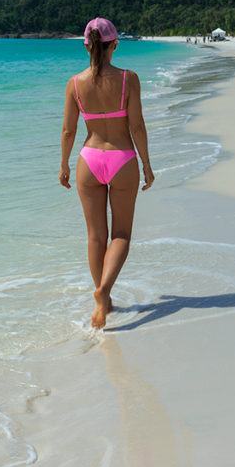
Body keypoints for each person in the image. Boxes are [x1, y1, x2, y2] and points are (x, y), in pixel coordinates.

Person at [59, 18, 155, 329]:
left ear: (86, 45)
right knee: (121, 235)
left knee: (95, 236)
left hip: (89, 159)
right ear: (114, 44)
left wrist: (63, 165)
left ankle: (103, 297)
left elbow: (68, 130)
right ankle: (105, 291)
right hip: (122, 158)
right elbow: (137, 126)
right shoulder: (129, 79)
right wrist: (147, 165)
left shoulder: (75, 83)